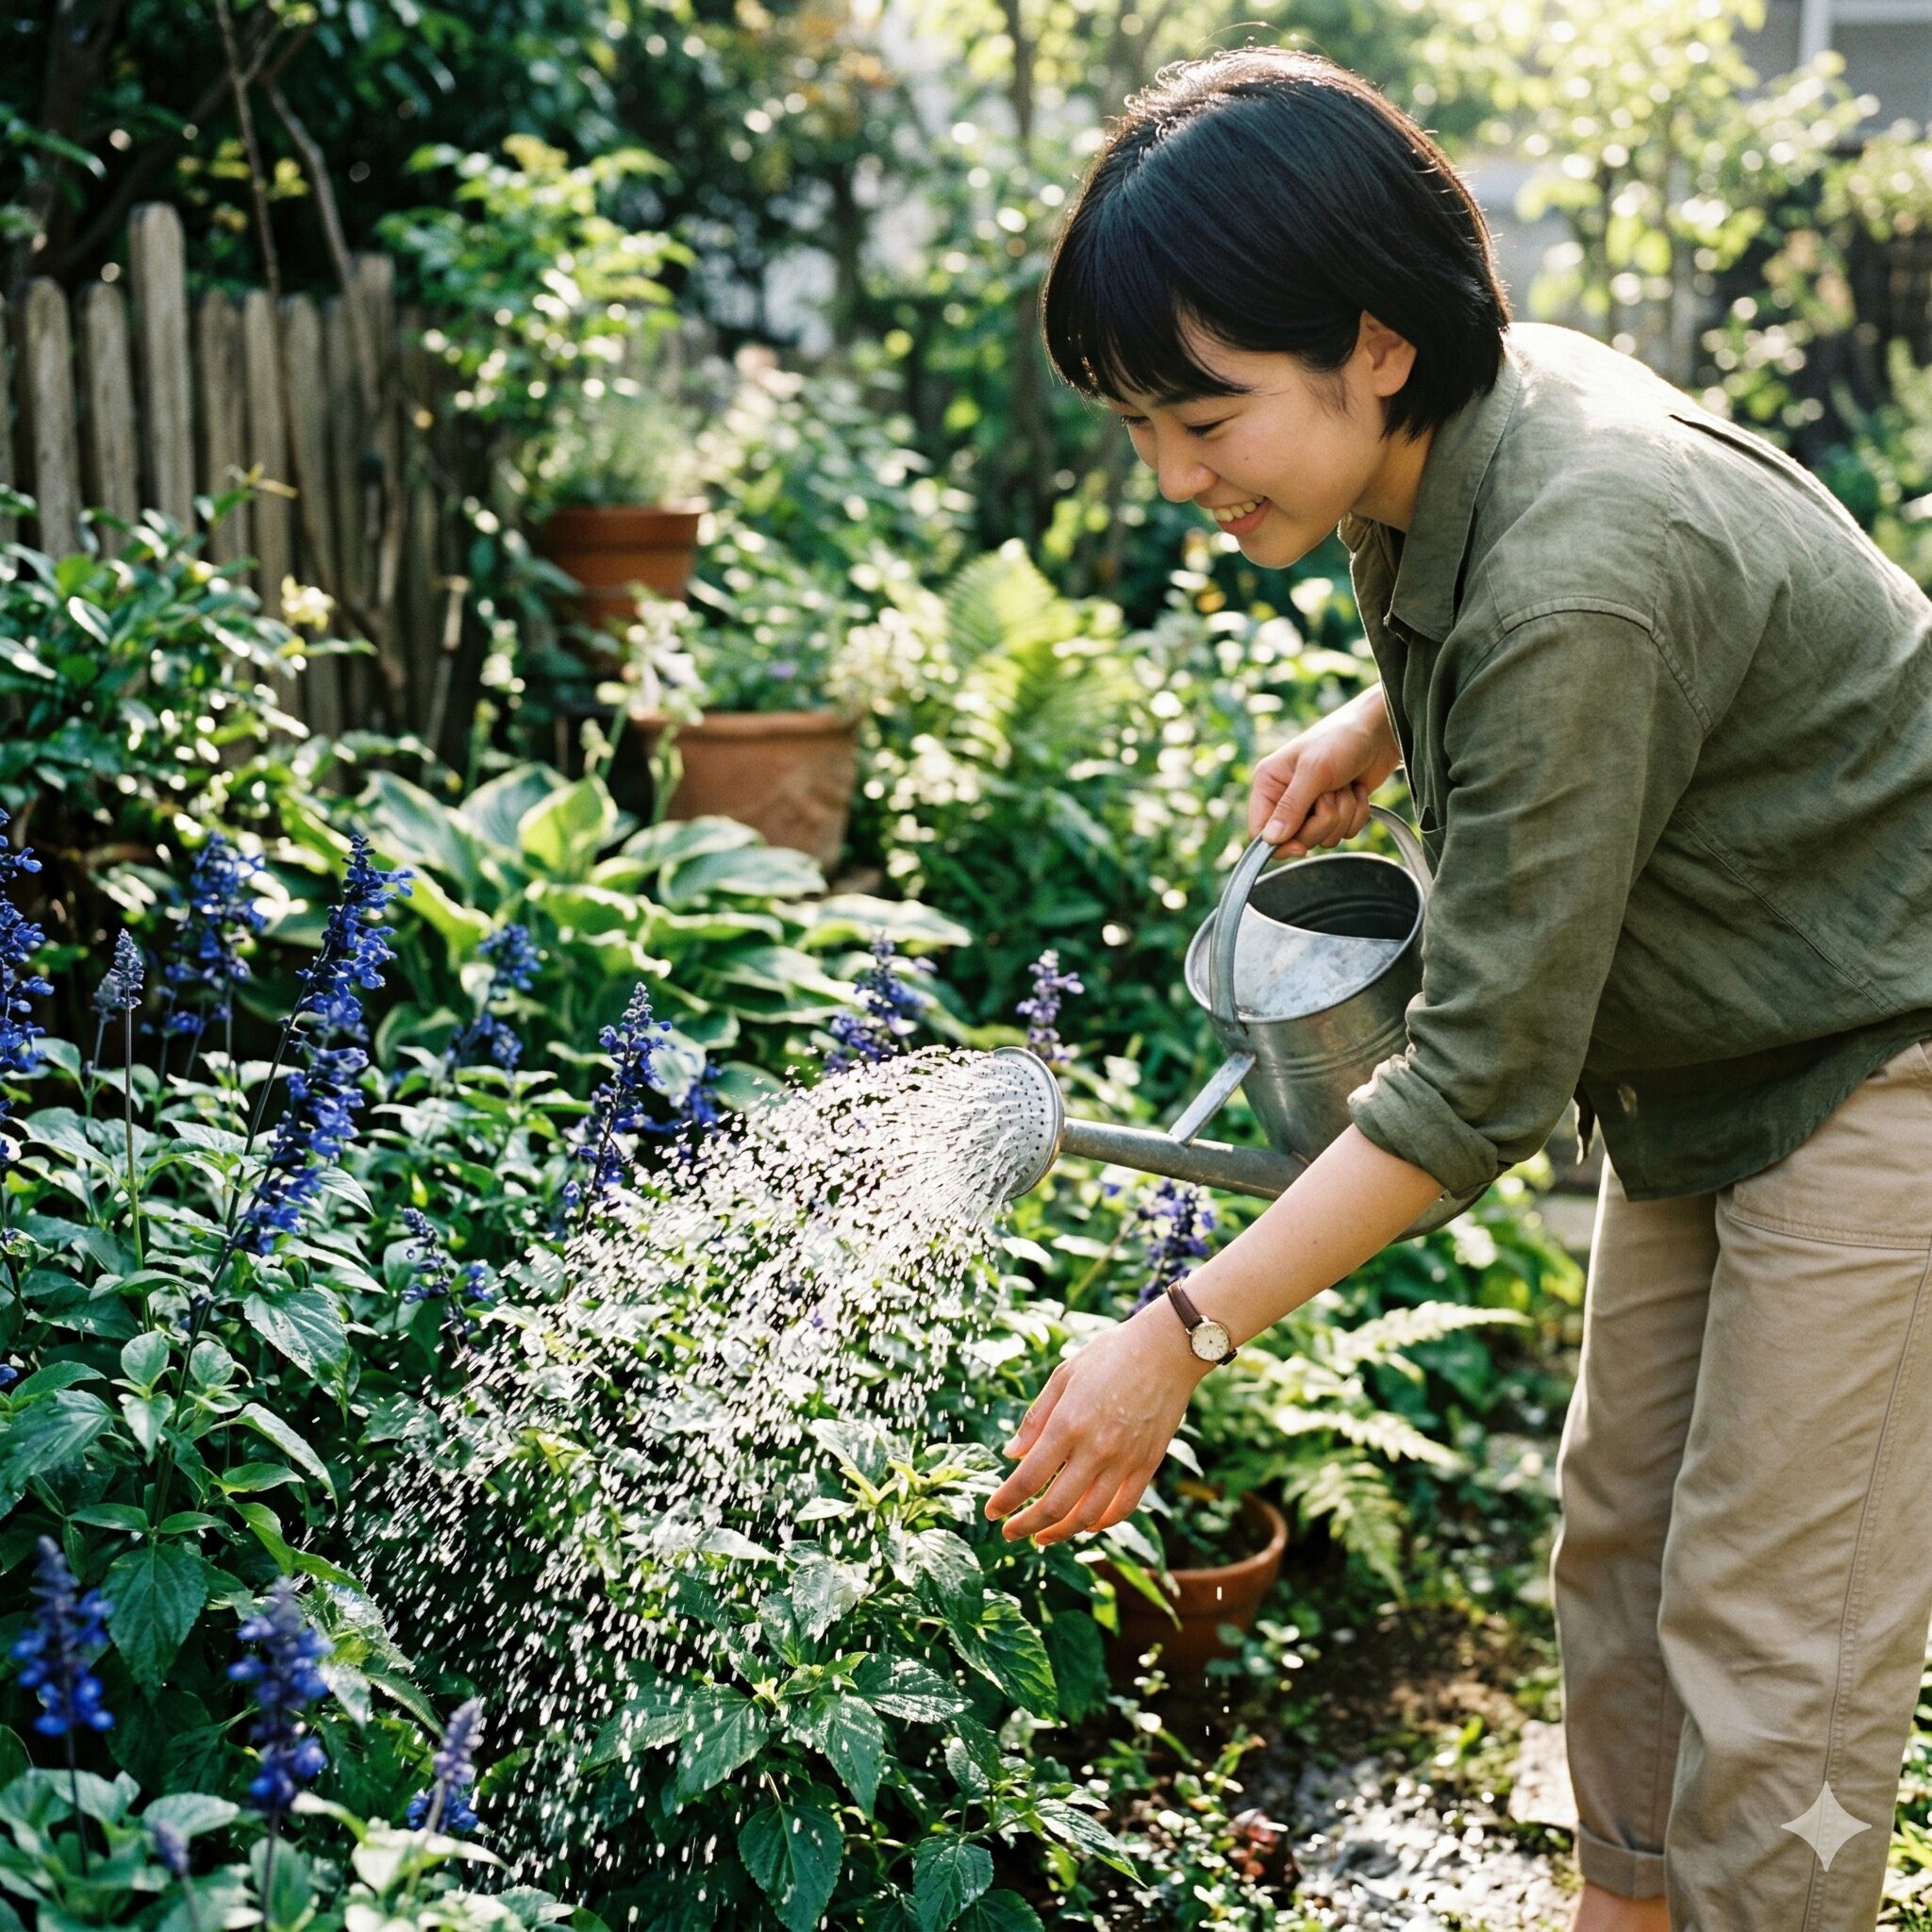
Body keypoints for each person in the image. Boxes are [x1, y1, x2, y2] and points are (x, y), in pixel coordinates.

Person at [981, 43, 1932, 1932]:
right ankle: (1629, 1908)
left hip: (1886, 1038)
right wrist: (1382, 719)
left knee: (1776, 1619)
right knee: (1623, 1534)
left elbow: (1478, 1085)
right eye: (1141, 423)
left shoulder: (1581, 572)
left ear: (1376, 343)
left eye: (1205, 416)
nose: (1173, 476)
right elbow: (1585, 638)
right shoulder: (1461, 429)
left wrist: (1178, 1332)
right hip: (1726, 1036)